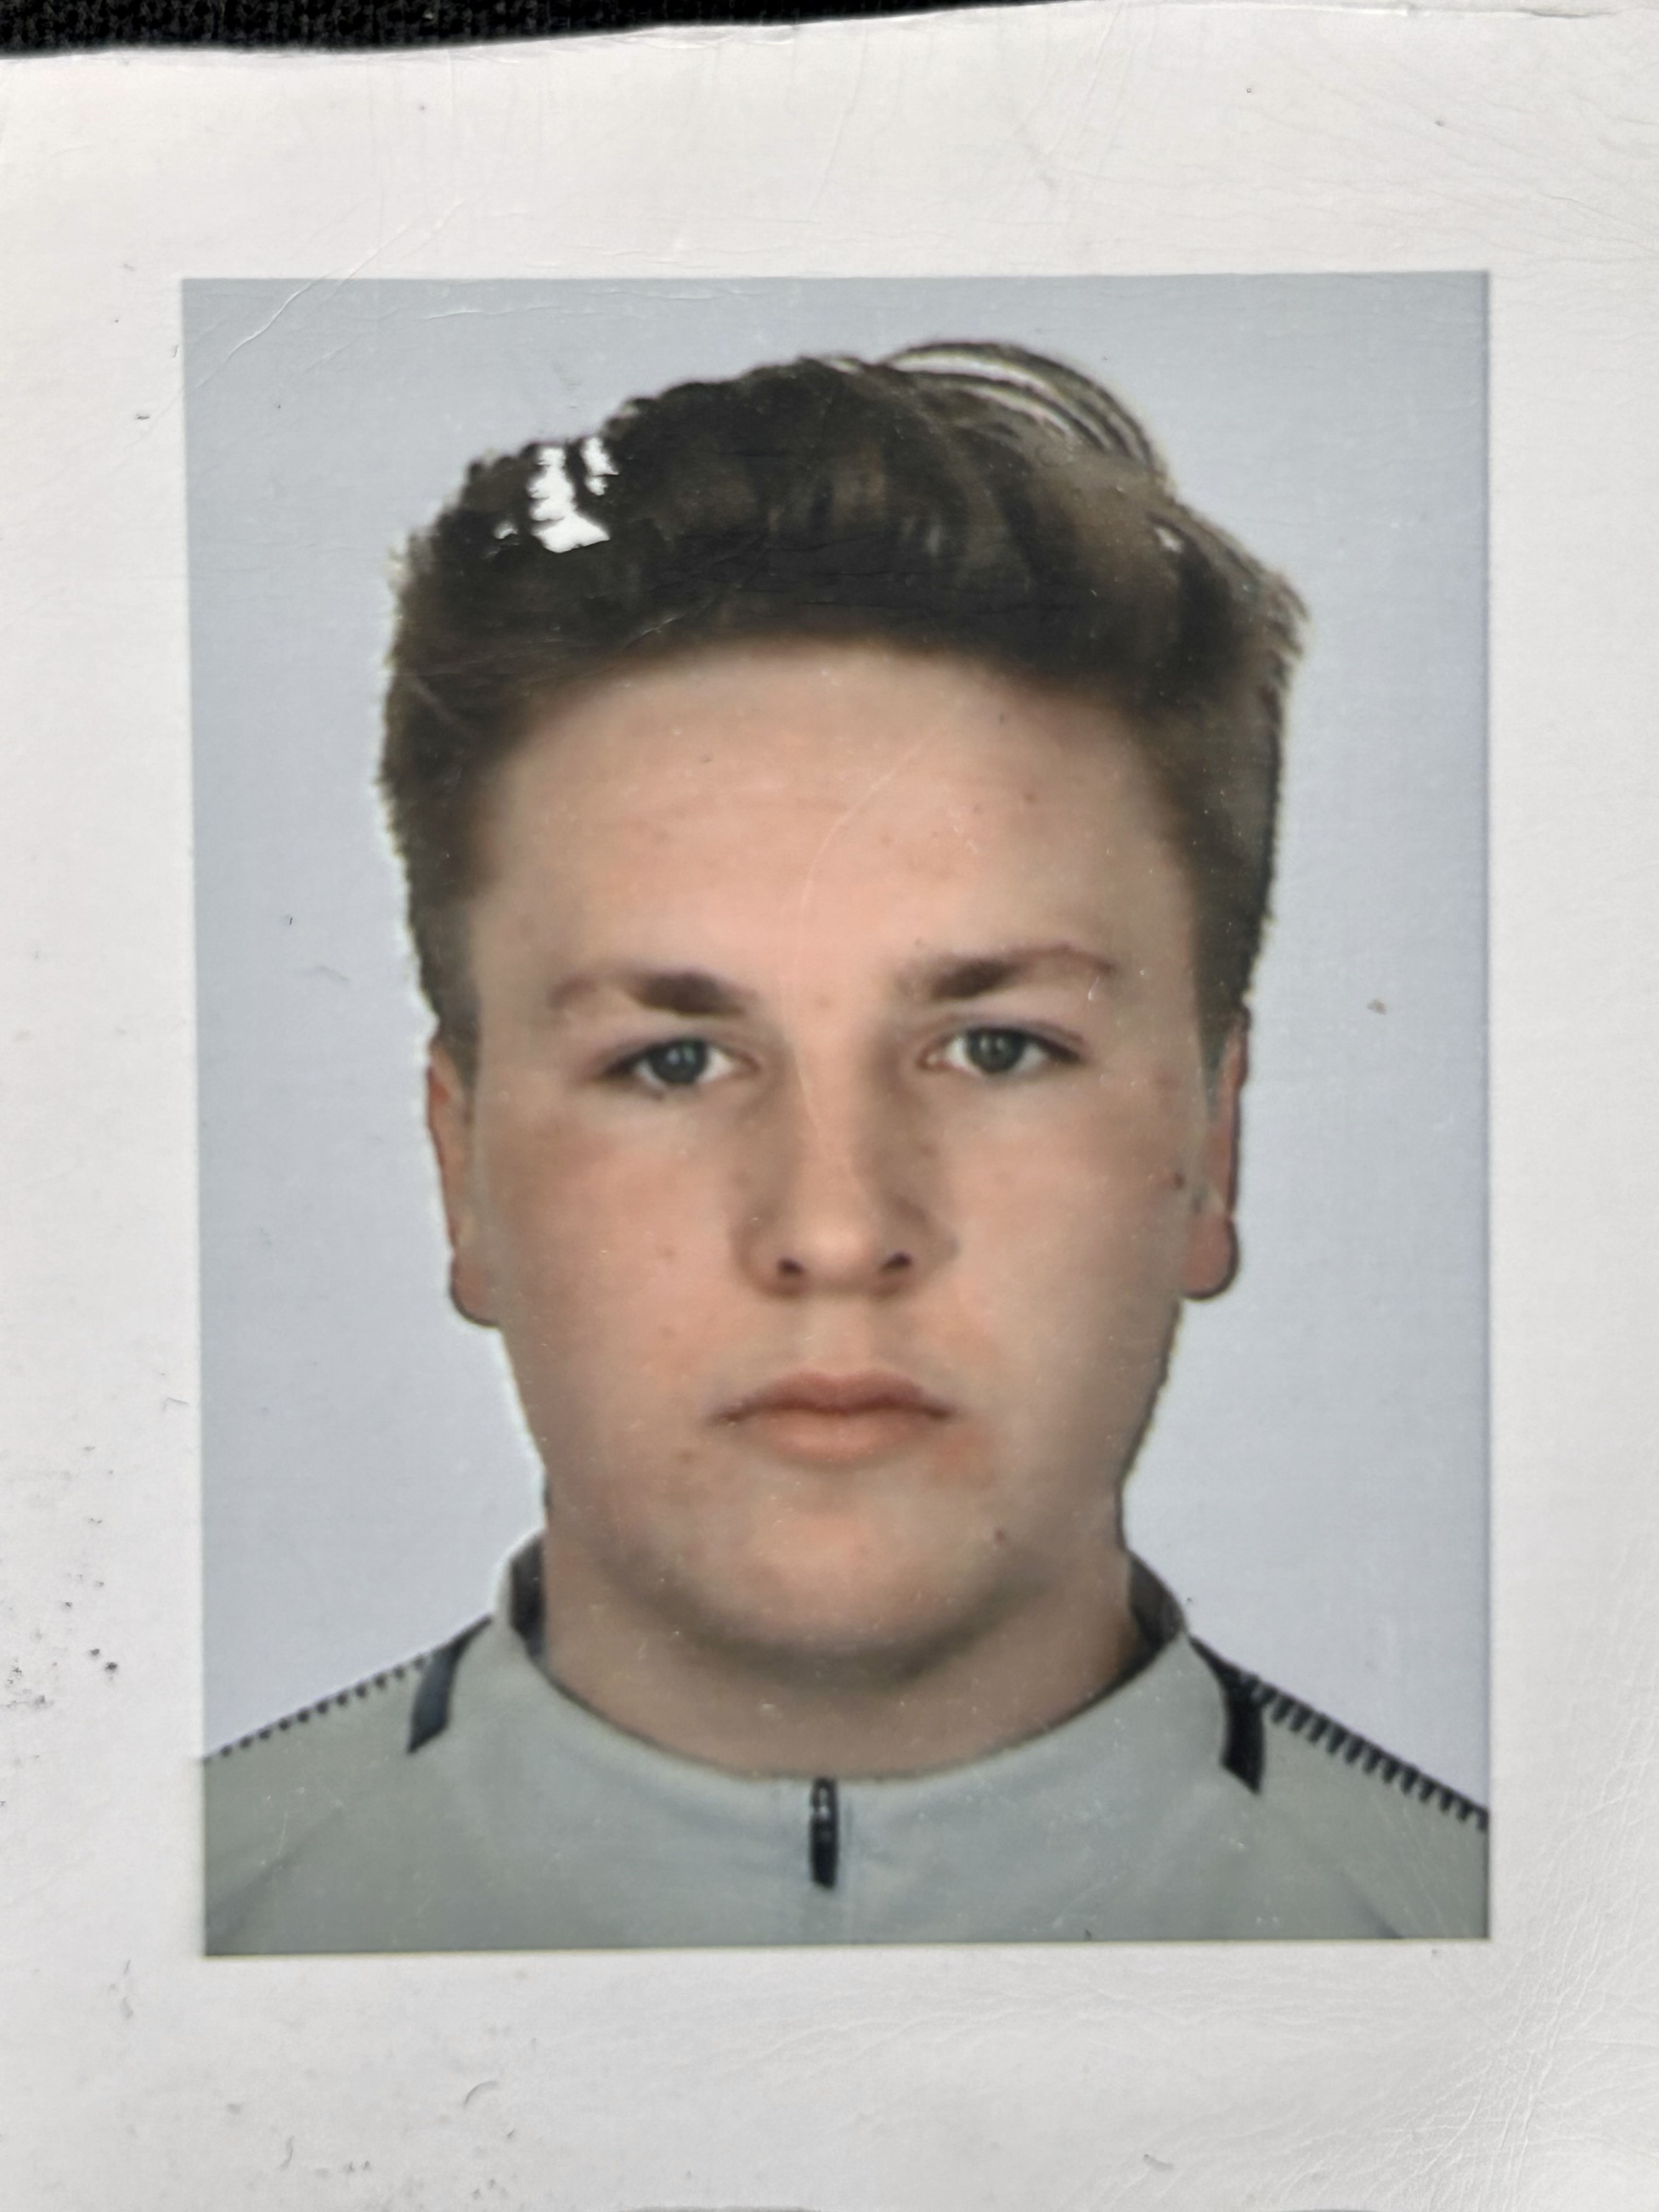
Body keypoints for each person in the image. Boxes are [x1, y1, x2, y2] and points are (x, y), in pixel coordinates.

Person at [204, 342, 1487, 1951]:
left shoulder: (1551, 2004)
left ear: (1211, 1144)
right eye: (673, 1061)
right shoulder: (100, 1974)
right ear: (462, 1173)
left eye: (998, 1047)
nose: (831, 1229)